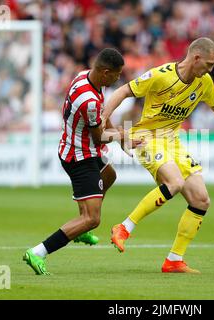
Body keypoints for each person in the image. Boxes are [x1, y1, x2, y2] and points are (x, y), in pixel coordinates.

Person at [102, 37, 214, 274]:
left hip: (173, 141)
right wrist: (103, 117)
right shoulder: (162, 75)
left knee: (201, 199)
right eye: (209, 64)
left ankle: (174, 260)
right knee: (175, 182)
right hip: (146, 137)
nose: (211, 69)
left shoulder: (204, 82)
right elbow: (123, 90)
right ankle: (123, 228)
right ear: (196, 58)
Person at [23, 48, 133, 275]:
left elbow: (102, 115)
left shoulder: (85, 77)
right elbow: (98, 136)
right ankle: (38, 251)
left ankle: (80, 228)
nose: (118, 78)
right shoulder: (89, 100)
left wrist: (119, 136)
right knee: (93, 219)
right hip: (79, 157)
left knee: (110, 175)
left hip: (80, 149)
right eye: (116, 74)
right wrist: (122, 135)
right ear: (105, 72)